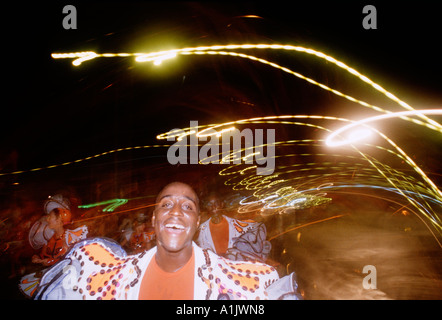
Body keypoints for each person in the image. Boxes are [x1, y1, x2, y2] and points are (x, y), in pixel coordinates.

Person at [34, 182, 299, 300]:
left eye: (188, 206)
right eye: (166, 204)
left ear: (197, 223)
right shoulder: (104, 277)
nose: (176, 211)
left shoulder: (240, 286)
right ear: (154, 219)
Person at [19, 194, 88, 298]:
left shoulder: (68, 238)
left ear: (59, 220)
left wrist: (46, 261)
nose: (47, 220)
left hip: (64, 282)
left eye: (50, 217)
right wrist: (38, 258)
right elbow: (44, 256)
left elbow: (67, 261)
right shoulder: (50, 238)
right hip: (51, 276)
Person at [197, 194, 271, 263]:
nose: (213, 207)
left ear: (221, 204)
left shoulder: (236, 225)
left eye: (216, 203)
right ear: (206, 207)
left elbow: (256, 229)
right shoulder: (201, 231)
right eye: (209, 204)